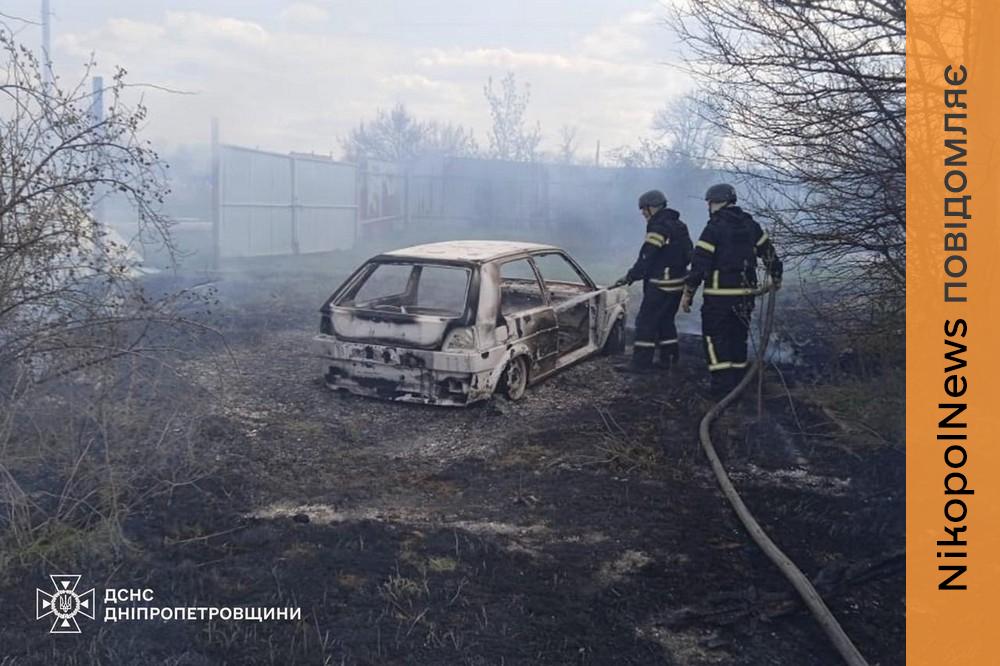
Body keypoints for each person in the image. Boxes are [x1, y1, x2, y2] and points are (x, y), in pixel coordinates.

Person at [681, 183, 782, 398]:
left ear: (715, 202)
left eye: (709, 203)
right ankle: (738, 384)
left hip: (718, 298)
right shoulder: (750, 225)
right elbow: (770, 254)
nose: (709, 206)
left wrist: (689, 292)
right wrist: (776, 276)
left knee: (715, 339)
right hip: (745, 296)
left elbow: (700, 264)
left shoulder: (714, 228)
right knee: (738, 337)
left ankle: (721, 388)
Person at [615, 189, 692, 373]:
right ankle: (670, 359)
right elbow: (689, 252)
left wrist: (631, 275)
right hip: (677, 283)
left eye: (644, 209)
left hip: (660, 285)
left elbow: (647, 256)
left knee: (645, 323)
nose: (643, 213)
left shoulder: (659, 227)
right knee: (666, 321)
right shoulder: (679, 225)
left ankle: (641, 364)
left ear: (651, 207)